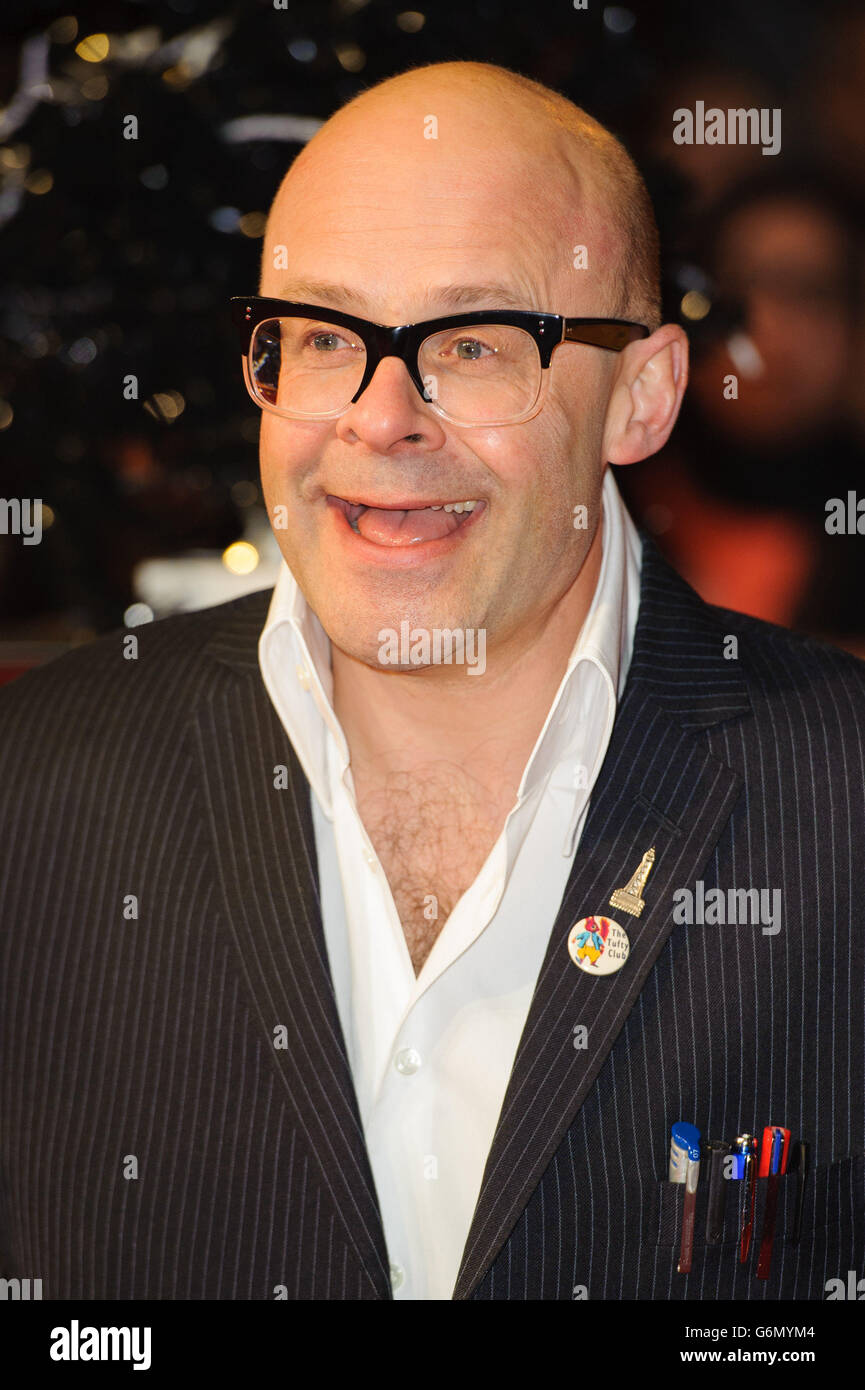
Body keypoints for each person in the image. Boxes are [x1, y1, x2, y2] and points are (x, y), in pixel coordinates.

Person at [0, 60, 862, 1303]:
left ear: (644, 394)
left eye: (471, 342)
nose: (379, 417)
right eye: (320, 337)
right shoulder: (36, 790)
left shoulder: (840, 803)